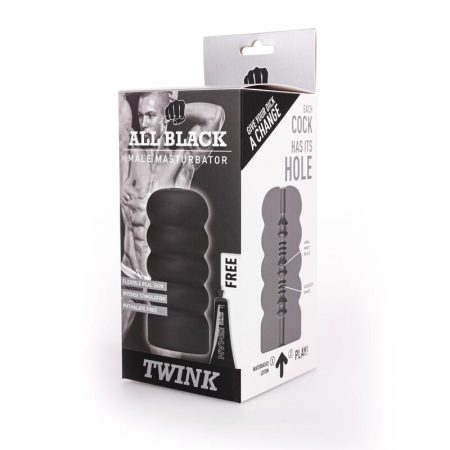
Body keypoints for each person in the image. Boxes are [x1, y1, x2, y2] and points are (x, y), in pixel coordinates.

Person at [119, 90, 225, 354]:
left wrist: (179, 109)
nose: (143, 124)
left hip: (163, 284)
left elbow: (215, 116)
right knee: (116, 353)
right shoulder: (129, 155)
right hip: (129, 275)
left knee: (168, 363)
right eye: (141, 116)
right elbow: (119, 104)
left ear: (166, 117)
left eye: (151, 115)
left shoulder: (181, 161)